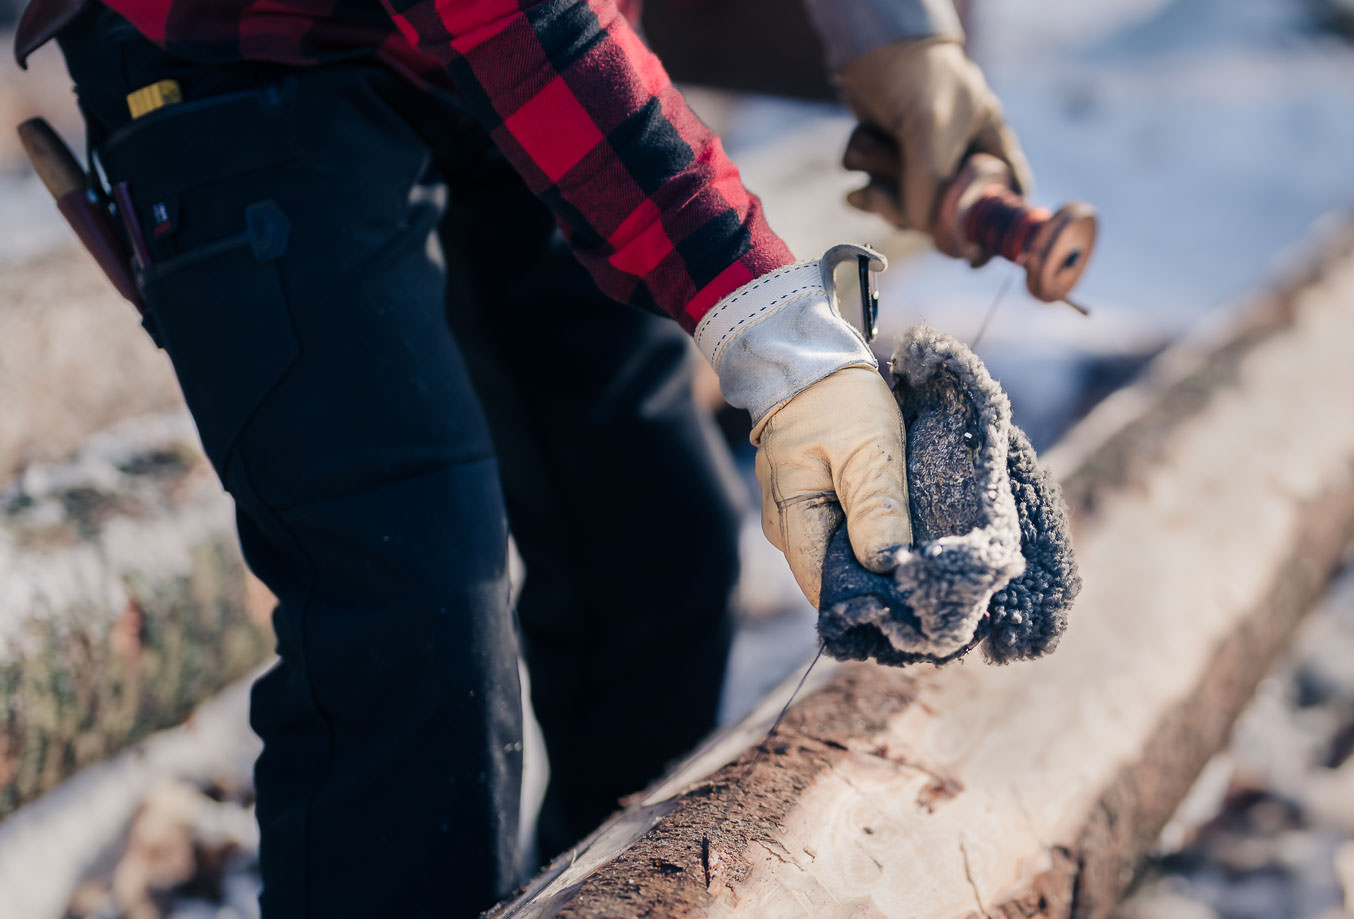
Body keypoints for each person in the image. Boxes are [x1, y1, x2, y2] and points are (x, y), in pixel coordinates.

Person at [10, 0, 1030, 914]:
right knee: (414, 608)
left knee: (656, 540)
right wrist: (771, 327)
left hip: (492, 35)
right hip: (238, 42)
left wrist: (897, 37)